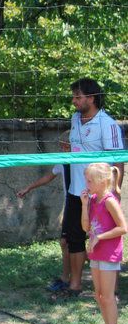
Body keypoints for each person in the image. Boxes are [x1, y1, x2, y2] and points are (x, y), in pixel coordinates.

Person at [64, 78, 125, 297]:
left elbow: (118, 161)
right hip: (77, 192)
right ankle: (75, 286)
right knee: (74, 238)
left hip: (99, 194)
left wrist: (115, 190)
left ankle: (112, 291)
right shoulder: (75, 119)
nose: (74, 101)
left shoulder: (108, 125)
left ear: (91, 98)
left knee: (104, 237)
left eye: (78, 96)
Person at [16, 131, 72, 292]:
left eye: (65, 146)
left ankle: (75, 279)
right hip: (71, 204)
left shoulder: (83, 161)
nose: (62, 149)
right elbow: (49, 176)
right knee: (66, 242)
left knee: (75, 243)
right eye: (61, 146)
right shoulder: (63, 162)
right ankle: (66, 278)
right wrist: (28, 188)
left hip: (84, 204)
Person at [81, 162, 126, 324]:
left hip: (108, 253)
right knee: (98, 295)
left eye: (90, 181)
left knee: (107, 296)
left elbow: (123, 228)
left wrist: (100, 237)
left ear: (101, 181)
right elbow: (85, 227)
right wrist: (84, 205)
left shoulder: (109, 200)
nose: (87, 184)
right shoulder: (92, 199)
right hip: (96, 253)